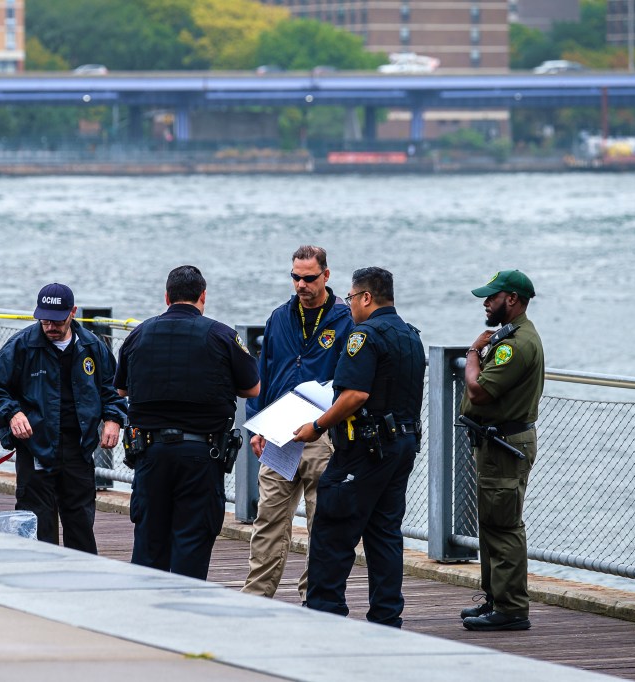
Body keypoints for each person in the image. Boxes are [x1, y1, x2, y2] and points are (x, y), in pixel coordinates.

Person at [292, 267, 425, 627]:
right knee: (384, 533)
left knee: (333, 529)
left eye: (351, 297)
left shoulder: (363, 336)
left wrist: (317, 426)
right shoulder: (410, 336)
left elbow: (355, 393)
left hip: (362, 451)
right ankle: (386, 617)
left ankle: (325, 612)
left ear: (366, 297)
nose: (349, 304)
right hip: (401, 448)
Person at [114, 265, 260, 579]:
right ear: (202, 296)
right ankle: (185, 615)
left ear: (166, 296)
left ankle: (144, 616)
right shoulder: (221, 335)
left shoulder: (139, 333)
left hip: (150, 455)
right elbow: (253, 388)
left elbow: (122, 388)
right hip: (201, 456)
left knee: (149, 544)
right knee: (192, 544)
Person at [241, 245, 354, 603]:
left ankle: (314, 599)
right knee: (268, 521)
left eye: (309, 278)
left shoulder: (346, 319)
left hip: (323, 434)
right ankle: (256, 598)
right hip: (279, 434)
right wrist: (257, 425)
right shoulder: (279, 317)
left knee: (322, 522)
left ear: (326, 275)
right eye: (296, 278)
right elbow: (264, 372)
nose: (302, 285)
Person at [0, 282, 126, 554]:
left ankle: (82, 583)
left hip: (78, 451)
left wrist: (113, 420)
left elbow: (112, 391)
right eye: (45, 320)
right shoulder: (21, 346)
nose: (51, 326)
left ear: (73, 313)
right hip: (36, 447)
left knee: (80, 526)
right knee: (37, 526)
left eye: (57, 320)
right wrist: (12, 413)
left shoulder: (92, 346)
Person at [459, 269, 544, 632]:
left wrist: (474, 351)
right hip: (497, 442)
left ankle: (511, 608)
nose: (486, 302)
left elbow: (478, 390)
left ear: (511, 299)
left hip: (505, 444)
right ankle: (496, 599)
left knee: (504, 526)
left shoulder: (515, 344)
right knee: (492, 523)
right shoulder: (511, 336)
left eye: (492, 297)